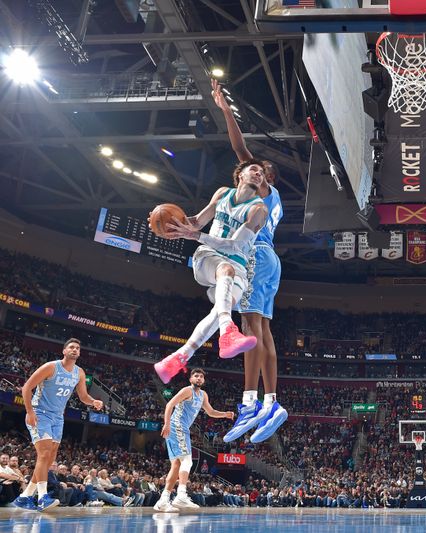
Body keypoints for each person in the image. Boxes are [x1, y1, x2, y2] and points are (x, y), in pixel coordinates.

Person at [209, 80, 287, 444]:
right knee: (264, 329)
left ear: (266, 178)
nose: (254, 169)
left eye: (260, 169)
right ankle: (271, 402)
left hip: (256, 255)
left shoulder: (263, 192)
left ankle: (249, 403)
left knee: (248, 327)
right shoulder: (278, 201)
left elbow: (240, 149)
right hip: (272, 260)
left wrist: (227, 111)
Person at [153, 157, 269, 383]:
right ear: (240, 175)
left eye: (262, 174)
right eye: (253, 169)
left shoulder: (259, 210)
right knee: (225, 270)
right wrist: (174, 223)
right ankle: (228, 331)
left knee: (219, 310)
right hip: (208, 257)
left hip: (238, 265)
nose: (258, 174)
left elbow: (235, 245)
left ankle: (177, 359)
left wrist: (195, 235)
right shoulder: (223, 193)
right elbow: (196, 222)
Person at [13, 338, 103, 512]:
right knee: (44, 453)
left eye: (77, 348)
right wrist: (30, 412)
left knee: (49, 458)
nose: (75, 349)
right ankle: (42, 497)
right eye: (71, 347)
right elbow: (26, 387)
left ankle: (25, 497)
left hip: (58, 418)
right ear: (64, 351)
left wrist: (93, 402)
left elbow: (83, 397)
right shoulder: (51, 367)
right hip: (40, 414)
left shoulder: (79, 373)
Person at [154, 368, 233, 512]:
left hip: (179, 429)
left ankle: (163, 500)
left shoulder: (203, 395)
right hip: (177, 426)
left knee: (177, 465)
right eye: (196, 376)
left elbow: (210, 412)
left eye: (201, 377)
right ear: (191, 379)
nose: (199, 378)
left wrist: (225, 414)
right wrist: (166, 423)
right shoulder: (187, 391)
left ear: (204, 381)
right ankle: (181, 495)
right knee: (187, 461)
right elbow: (169, 404)